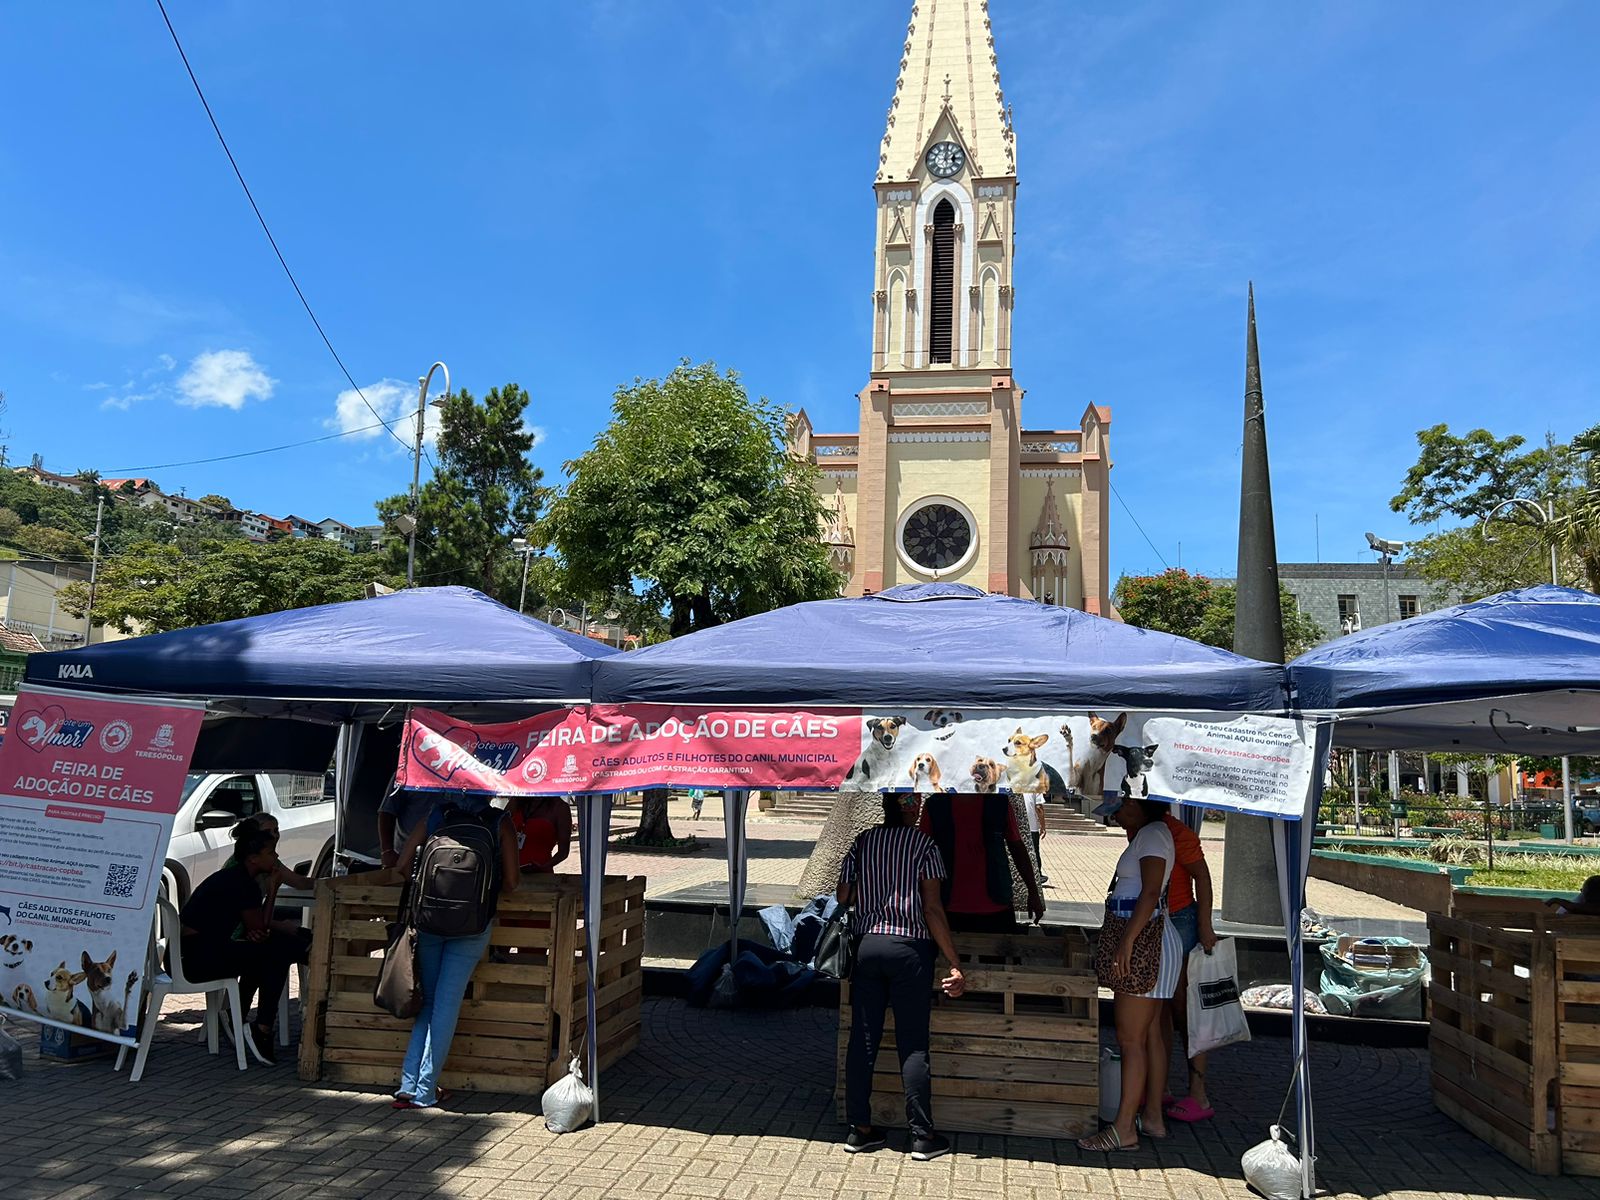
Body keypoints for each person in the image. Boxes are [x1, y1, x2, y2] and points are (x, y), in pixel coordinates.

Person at [838, 794, 966, 1162]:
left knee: (863, 1040)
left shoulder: (863, 841)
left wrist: (874, 895)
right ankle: (922, 1136)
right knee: (913, 1044)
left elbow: (843, 894)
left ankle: (859, 1130)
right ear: (910, 808)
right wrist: (954, 961)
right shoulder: (925, 845)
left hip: (867, 947)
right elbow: (932, 908)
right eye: (917, 802)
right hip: (910, 950)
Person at [391, 795, 520, 1110]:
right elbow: (513, 882)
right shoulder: (499, 822)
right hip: (473, 926)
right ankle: (425, 1090)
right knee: (446, 1006)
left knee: (429, 1003)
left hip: (430, 922)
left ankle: (409, 1084)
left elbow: (401, 866)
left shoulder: (437, 814)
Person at [1078, 793, 1184, 1153]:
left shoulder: (1153, 834)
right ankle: (1151, 1116)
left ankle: (1124, 1128)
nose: (1118, 816)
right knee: (1149, 1033)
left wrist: (1127, 942)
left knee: (1131, 1039)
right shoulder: (1152, 833)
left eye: (1121, 808)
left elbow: (1151, 891)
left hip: (1144, 941)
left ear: (1139, 803)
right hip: (1152, 939)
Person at [178, 824, 302, 1065]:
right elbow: (261, 928)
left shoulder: (237, 877)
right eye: (271, 853)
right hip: (198, 959)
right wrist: (274, 890)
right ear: (254, 858)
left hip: (202, 951)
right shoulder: (242, 883)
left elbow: (258, 931)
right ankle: (261, 1027)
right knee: (275, 954)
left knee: (270, 952)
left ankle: (245, 1019)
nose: (276, 857)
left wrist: (259, 934)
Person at [1147, 804, 1219, 1127]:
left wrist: (1205, 926)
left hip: (1181, 921)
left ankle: (1199, 1092)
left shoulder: (1178, 833)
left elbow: (1202, 878)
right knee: (1160, 1009)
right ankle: (1162, 1085)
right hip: (1158, 922)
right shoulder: (1142, 829)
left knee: (1186, 1012)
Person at [919, 793, 1045, 932]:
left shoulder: (1000, 802)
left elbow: (1017, 848)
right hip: (952, 905)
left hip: (991, 904)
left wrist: (1033, 892)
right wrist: (1033, 893)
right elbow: (923, 852)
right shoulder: (935, 805)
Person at [378, 779, 435, 870]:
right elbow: (387, 812)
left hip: (450, 856)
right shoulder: (406, 772)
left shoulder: (463, 771)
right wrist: (387, 851)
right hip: (407, 857)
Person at [507, 795, 573, 874]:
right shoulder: (518, 800)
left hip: (540, 874)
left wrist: (543, 867)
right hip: (509, 872)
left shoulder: (560, 808)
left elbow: (563, 852)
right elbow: (501, 826)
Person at [1022, 792, 1050, 885]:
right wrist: (1043, 826)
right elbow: (1038, 807)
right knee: (1034, 851)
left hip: (1016, 825)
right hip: (1032, 826)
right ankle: (1037, 875)